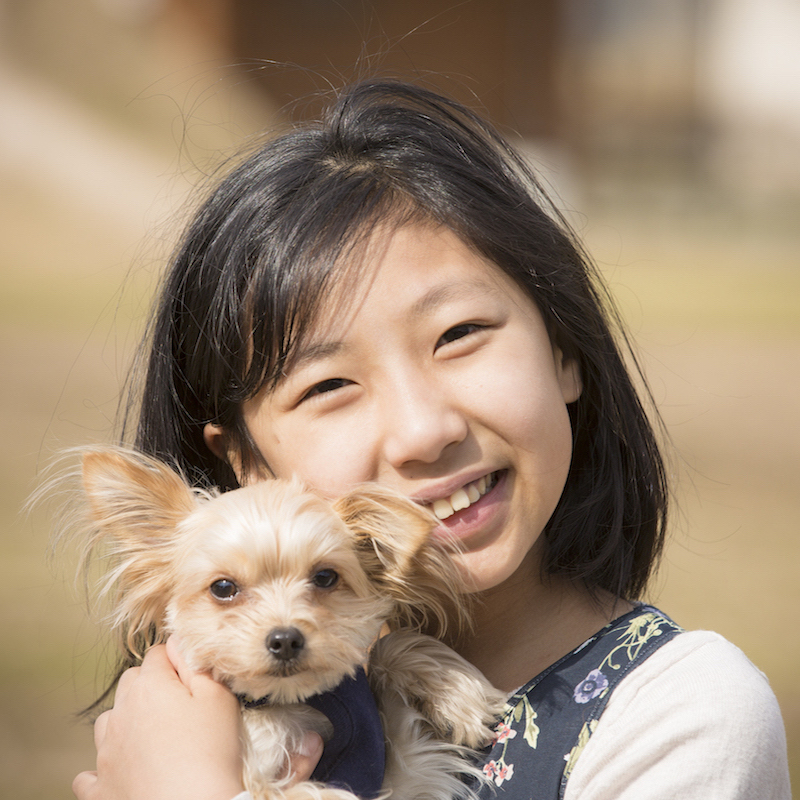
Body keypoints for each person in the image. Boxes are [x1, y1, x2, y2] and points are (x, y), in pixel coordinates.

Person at [72, 79, 791, 800]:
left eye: (460, 335)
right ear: (245, 463)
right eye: (328, 386)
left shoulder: (686, 715)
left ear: (564, 351)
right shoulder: (188, 721)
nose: (424, 431)